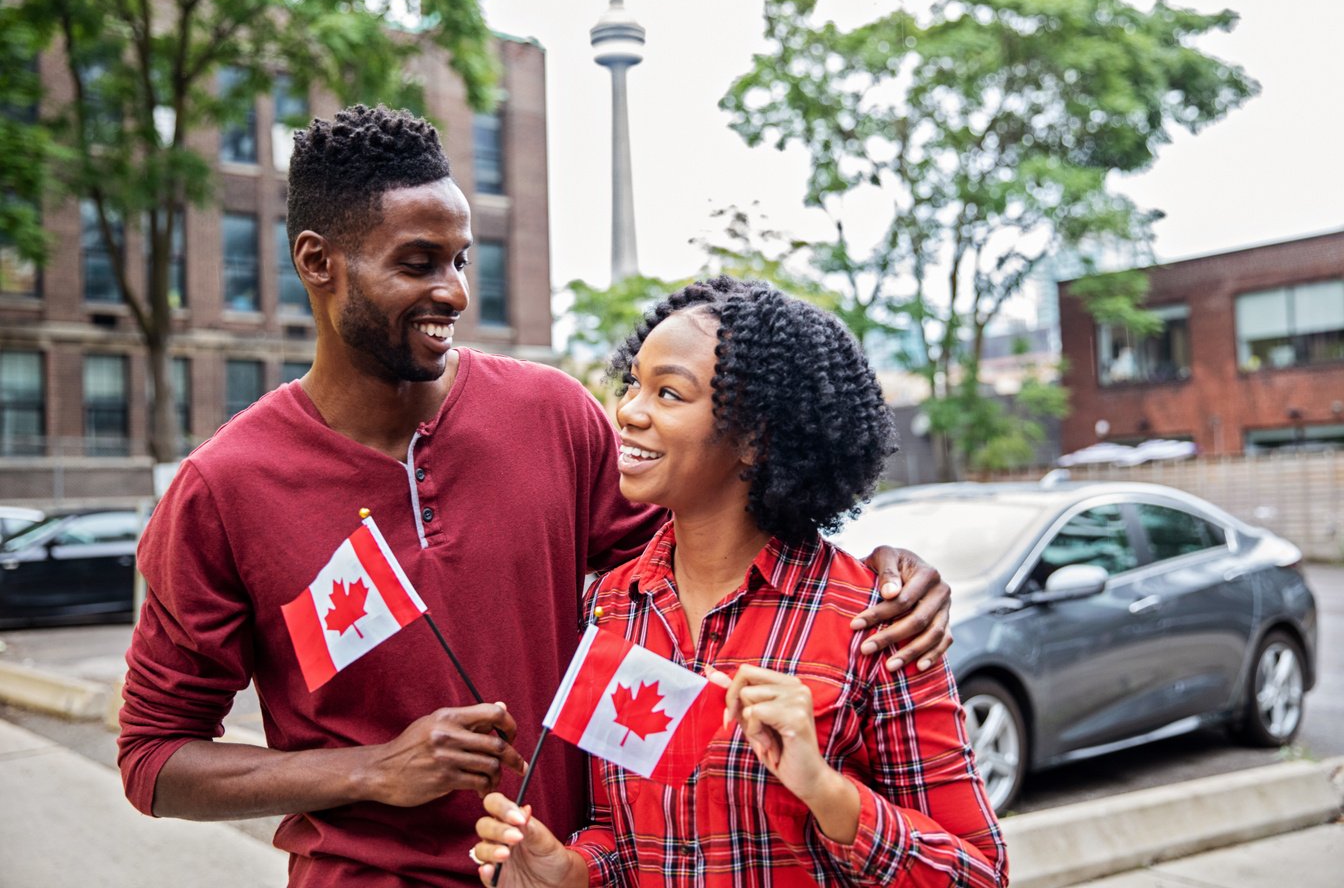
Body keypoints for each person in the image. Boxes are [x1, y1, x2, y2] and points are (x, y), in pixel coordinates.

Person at [117, 105, 954, 888]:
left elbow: (712, 542)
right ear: (317, 262)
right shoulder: (221, 489)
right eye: (417, 263)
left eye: (460, 259)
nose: (454, 292)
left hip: (564, 873)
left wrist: (877, 566)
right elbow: (153, 763)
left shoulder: (550, 413)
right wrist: (371, 768)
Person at [472, 278, 1007, 887]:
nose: (628, 411)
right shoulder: (609, 609)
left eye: (668, 393)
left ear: (756, 438)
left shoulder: (875, 623)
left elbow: (979, 873)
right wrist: (569, 872)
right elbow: (628, 836)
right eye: (632, 385)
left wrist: (826, 792)